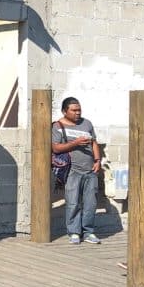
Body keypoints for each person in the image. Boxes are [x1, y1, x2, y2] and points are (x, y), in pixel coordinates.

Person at [52, 96, 102, 245]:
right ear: (64, 111)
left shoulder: (87, 124)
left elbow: (94, 143)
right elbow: (55, 147)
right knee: (73, 202)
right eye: (74, 110)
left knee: (90, 203)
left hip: (90, 169)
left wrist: (98, 160)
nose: (77, 113)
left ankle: (88, 232)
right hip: (72, 170)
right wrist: (76, 143)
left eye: (79, 110)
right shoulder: (58, 126)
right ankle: (74, 232)